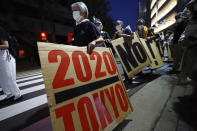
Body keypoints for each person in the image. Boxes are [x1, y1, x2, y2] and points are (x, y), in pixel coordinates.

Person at [0, 26, 22, 101]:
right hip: (1, 55)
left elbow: (6, 45)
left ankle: (17, 94)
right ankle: (9, 94)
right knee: (2, 77)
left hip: (4, 55)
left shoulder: (0, 30)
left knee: (8, 75)